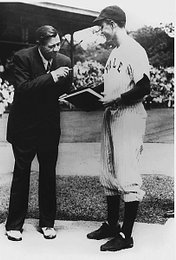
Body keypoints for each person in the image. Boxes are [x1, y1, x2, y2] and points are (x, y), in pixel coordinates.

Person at [87, 6, 150, 251]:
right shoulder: (115, 52)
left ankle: (126, 236)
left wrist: (115, 100)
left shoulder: (135, 50)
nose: (100, 30)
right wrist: (85, 93)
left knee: (127, 173)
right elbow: (111, 81)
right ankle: (112, 224)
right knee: (109, 170)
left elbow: (144, 87)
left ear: (112, 24)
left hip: (128, 115)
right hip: (111, 114)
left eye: (102, 25)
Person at [5, 25, 72, 241]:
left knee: (48, 174)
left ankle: (47, 223)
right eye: (51, 46)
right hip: (24, 127)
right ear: (39, 44)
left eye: (58, 44)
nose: (56, 49)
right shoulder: (22, 58)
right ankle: (14, 225)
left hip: (49, 127)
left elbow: (65, 89)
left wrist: (66, 98)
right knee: (21, 174)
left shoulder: (64, 61)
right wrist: (51, 76)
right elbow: (23, 89)